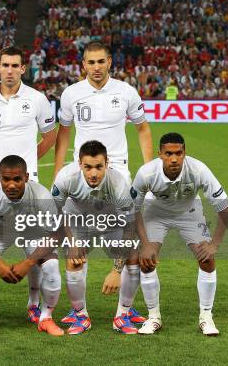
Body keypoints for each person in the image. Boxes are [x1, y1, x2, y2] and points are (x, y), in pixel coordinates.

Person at [54, 41, 152, 327]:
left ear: (110, 62)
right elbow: (63, 133)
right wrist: (60, 169)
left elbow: (143, 128)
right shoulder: (72, 94)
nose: (96, 67)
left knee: (130, 246)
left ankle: (124, 312)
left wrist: (147, 170)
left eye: (101, 61)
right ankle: (78, 313)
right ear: (82, 65)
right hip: (82, 172)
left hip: (118, 171)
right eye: (90, 62)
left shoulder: (126, 92)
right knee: (75, 250)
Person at [0, 46, 57, 324]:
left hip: (26, 182)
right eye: (4, 65)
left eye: (15, 65)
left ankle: (34, 303)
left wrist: (28, 162)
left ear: (23, 68)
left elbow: (49, 136)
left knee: (34, 247)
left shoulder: (37, 99)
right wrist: (0, 167)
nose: (9, 70)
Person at [132, 133, 228, 336]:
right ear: (160, 154)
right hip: (155, 213)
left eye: (179, 153)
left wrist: (214, 244)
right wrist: (145, 244)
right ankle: (154, 317)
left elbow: (225, 207)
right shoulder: (146, 174)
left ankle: (206, 317)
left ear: (185, 152)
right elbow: (131, 210)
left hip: (190, 212)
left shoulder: (198, 169)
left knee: (207, 259)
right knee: (146, 259)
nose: (174, 158)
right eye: (169, 153)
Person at [0, 155, 63, 337]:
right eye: (6, 179)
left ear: (26, 177)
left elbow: (56, 234)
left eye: (17, 179)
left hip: (31, 227)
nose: (11, 185)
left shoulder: (42, 196)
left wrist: (28, 262)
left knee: (51, 265)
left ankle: (46, 318)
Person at [52, 140, 139, 334]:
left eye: (99, 167)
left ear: (107, 163)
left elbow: (129, 228)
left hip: (111, 223)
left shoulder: (119, 184)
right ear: (80, 164)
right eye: (88, 167)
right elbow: (55, 212)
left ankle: (122, 315)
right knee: (74, 262)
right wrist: (72, 242)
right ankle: (80, 315)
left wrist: (116, 271)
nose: (93, 173)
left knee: (133, 259)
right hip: (78, 222)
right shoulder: (66, 177)